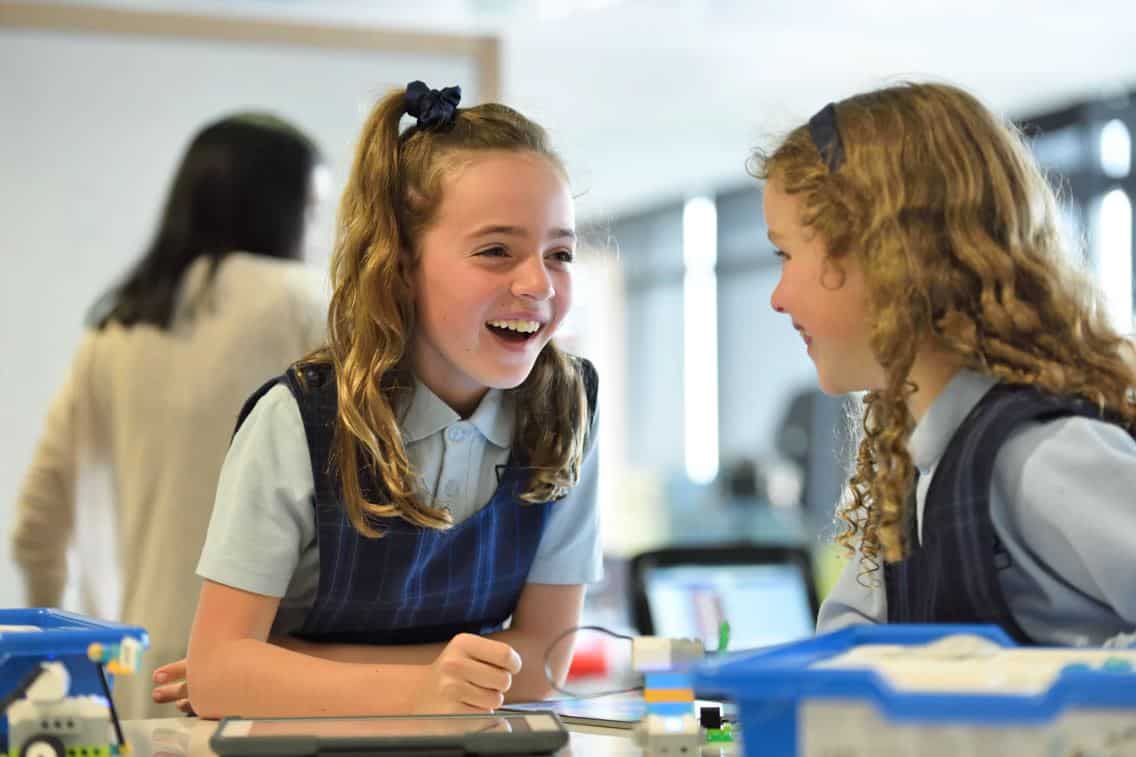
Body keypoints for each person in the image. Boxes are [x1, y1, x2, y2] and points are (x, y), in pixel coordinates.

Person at [150, 81, 602, 719]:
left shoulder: (567, 409)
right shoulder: (297, 420)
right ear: (399, 264)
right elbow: (220, 674)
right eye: (496, 251)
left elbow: (546, 660)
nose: (538, 284)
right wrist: (422, 687)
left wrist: (293, 661)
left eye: (559, 253)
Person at [760, 82, 1136, 646]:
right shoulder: (914, 474)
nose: (777, 297)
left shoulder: (1037, 458)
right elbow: (844, 652)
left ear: (886, 253)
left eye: (786, 254)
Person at [10, 113, 330, 719]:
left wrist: (59, 662)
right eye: (314, 210)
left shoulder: (116, 330)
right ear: (284, 209)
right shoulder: (309, 305)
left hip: (142, 672)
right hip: (278, 670)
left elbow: (36, 527)